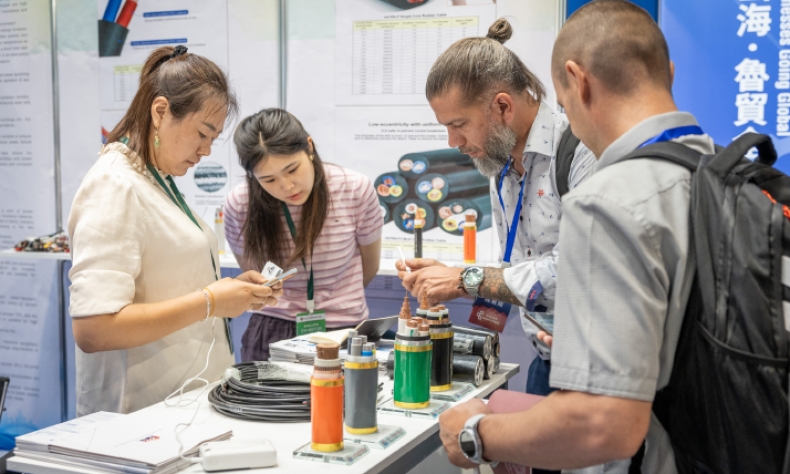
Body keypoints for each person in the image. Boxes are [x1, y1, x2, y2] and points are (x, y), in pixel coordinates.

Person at [437, 1, 717, 472]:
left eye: (565, 105)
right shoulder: (719, 171)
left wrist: (477, 434)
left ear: (578, 82)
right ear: (667, 72)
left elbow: (602, 426)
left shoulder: (607, 196)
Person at [68, 46, 281, 417]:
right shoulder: (115, 184)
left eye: (213, 139)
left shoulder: (155, 179)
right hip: (142, 416)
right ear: (160, 111)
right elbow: (94, 329)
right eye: (202, 134)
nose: (205, 150)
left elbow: (166, 280)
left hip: (183, 403)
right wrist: (210, 301)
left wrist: (232, 293)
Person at [396, 18, 596, 398]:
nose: (453, 141)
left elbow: (574, 271)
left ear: (503, 106)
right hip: (545, 362)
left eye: (459, 124)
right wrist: (450, 277)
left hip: (595, 375)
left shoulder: (581, 152)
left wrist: (464, 279)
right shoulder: (500, 166)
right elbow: (521, 268)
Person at [225, 108, 383, 362]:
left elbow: (370, 266)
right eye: (269, 180)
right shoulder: (241, 202)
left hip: (343, 330)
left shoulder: (354, 189)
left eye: (292, 169)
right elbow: (254, 275)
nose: (287, 186)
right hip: (271, 328)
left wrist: (335, 298)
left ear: (309, 146)